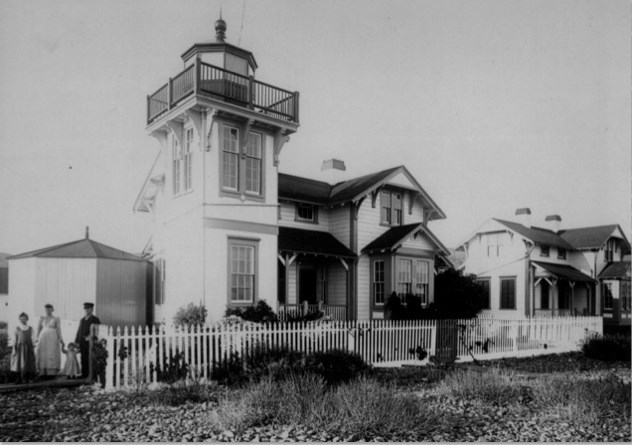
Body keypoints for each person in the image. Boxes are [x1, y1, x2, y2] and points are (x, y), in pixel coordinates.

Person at [36, 304, 64, 377]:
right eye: (46, 309)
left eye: (49, 309)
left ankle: (51, 373)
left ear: (52, 309)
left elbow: (58, 329)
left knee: (51, 353)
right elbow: (38, 328)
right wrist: (36, 338)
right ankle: (42, 372)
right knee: (43, 354)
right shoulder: (42, 318)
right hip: (43, 338)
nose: (47, 311)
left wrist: (61, 339)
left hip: (52, 338)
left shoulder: (56, 318)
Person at [74, 302, 101, 379]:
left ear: (92, 309)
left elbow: (97, 331)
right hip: (83, 342)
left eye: (88, 309)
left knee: (90, 358)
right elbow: (79, 331)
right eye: (85, 309)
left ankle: (91, 375)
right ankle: (84, 374)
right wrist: (77, 341)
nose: (86, 310)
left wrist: (91, 337)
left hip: (91, 342)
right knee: (83, 358)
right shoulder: (82, 320)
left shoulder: (95, 319)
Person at [10, 312, 37, 384]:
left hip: (28, 348)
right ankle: (19, 379)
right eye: (21, 319)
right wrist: (14, 347)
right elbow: (14, 339)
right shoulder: (17, 329)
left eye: (24, 319)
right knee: (18, 363)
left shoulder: (30, 329)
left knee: (28, 362)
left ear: (27, 319)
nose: (23, 320)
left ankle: (28, 378)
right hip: (19, 348)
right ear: (19, 320)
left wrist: (33, 345)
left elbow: (34, 338)